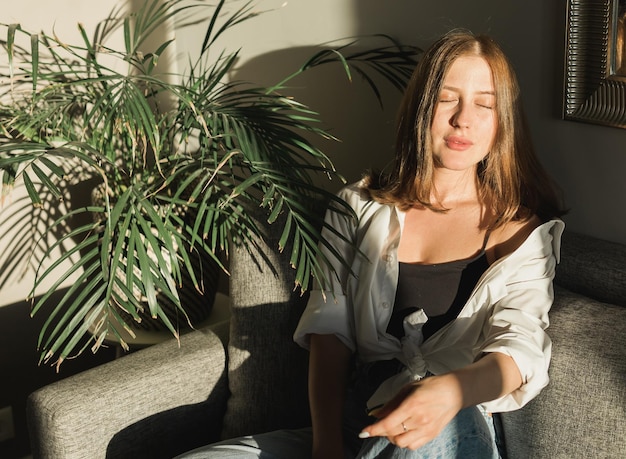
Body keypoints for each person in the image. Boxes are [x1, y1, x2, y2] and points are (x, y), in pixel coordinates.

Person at [176, 28, 566, 459]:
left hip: (444, 433)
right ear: (422, 107)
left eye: (484, 104)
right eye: (446, 98)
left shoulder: (522, 234)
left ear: (502, 121)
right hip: (348, 427)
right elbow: (330, 333)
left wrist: (451, 392)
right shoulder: (358, 207)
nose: (463, 119)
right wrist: (326, 446)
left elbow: (520, 349)